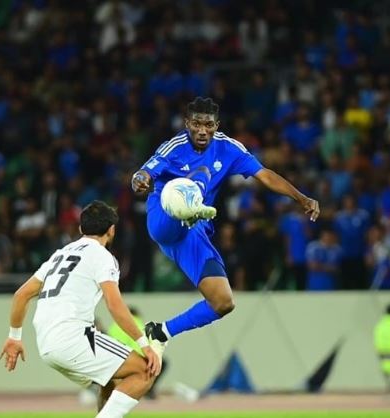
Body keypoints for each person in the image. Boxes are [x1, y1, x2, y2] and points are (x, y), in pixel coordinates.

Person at [131, 97, 320, 348]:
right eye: (196, 124)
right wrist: (140, 180)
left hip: (192, 231)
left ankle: (161, 332)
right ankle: (189, 208)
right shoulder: (174, 147)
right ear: (187, 124)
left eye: (208, 125)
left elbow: (265, 175)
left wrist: (301, 198)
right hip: (163, 218)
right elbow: (143, 173)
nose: (202, 130)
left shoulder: (229, 148)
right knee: (184, 188)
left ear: (216, 126)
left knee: (223, 301)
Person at [0, 201, 162, 418]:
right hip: (73, 338)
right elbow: (115, 305)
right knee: (145, 371)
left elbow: (21, 295)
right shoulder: (103, 257)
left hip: (46, 343)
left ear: (80, 229)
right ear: (111, 230)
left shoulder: (59, 254)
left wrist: (14, 337)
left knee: (110, 379)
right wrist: (145, 345)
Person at [107, 306, 167, 400]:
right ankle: (148, 389)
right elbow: (148, 343)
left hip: (114, 358)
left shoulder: (114, 325)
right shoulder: (138, 323)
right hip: (137, 357)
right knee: (160, 363)